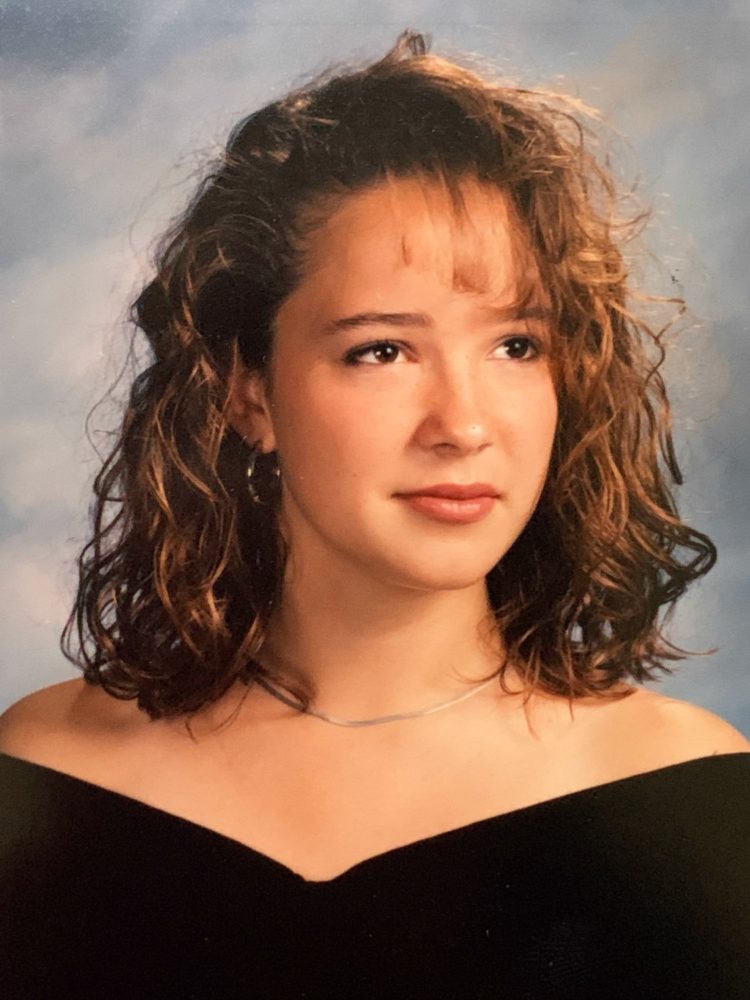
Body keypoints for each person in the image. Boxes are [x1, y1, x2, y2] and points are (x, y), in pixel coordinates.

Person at [0, 29, 748, 999]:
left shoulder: (697, 801)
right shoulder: (42, 778)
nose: (464, 424)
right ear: (247, 392)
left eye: (516, 346)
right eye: (382, 350)